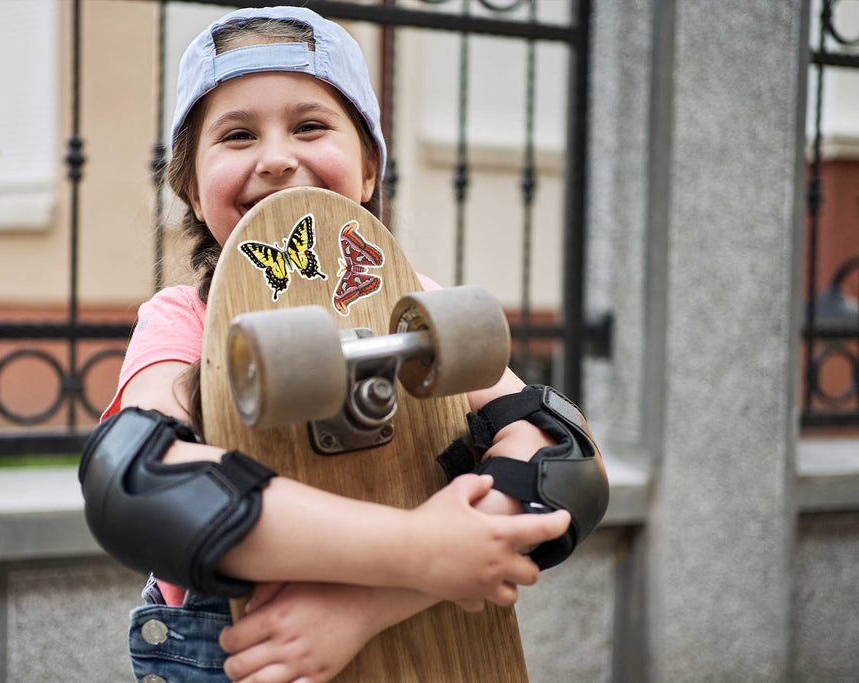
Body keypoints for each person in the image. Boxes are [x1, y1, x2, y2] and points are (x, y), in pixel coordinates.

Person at [87, 7, 601, 682]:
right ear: (189, 185)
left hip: (431, 647)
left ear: (367, 170)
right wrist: (422, 550)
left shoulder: (414, 298)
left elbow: (564, 459)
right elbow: (137, 483)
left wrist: (375, 600)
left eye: (310, 125)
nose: (276, 158)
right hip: (247, 655)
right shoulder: (185, 322)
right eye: (237, 135)